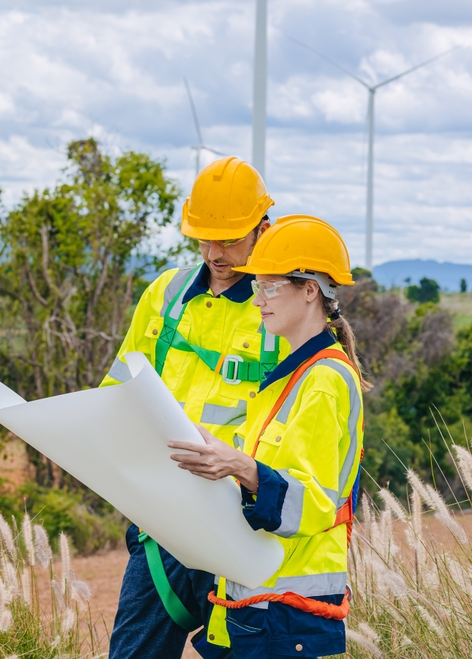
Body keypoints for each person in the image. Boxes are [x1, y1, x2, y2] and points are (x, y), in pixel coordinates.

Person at [101, 157, 290, 658]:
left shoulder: (284, 306)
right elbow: (117, 389)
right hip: (161, 522)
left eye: (227, 239)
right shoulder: (164, 295)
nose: (214, 253)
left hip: (242, 527)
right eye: (203, 238)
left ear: (262, 230)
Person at [169, 214, 367, 659]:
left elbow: (312, 502)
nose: (257, 301)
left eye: (270, 287)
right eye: (256, 287)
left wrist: (238, 465)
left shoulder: (325, 380)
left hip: (290, 613)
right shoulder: (283, 378)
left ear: (310, 289)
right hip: (254, 603)